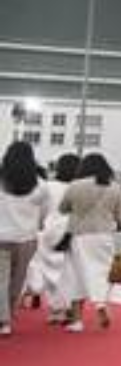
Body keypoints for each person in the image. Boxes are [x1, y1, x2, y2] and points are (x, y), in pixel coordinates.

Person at [59, 152, 121, 332]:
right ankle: (100, 303)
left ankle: (77, 321)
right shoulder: (115, 188)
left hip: (80, 236)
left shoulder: (76, 185)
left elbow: (63, 208)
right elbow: (119, 217)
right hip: (105, 236)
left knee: (77, 275)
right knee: (101, 273)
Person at [1, 141, 51, 337]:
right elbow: (45, 214)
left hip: (1, 237)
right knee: (17, 280)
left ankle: (2, 321)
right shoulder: (40, 186)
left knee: (0, 281)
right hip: (27, 239)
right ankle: (9, 315)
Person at [31, 154, 81, 327]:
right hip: (72, 230)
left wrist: (41, 223)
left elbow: (39, 207)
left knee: (50, 271)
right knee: (69, 271)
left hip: (51, 229)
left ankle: (56, 310)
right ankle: (68, 306)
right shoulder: (78, 187)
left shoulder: (48, 186)